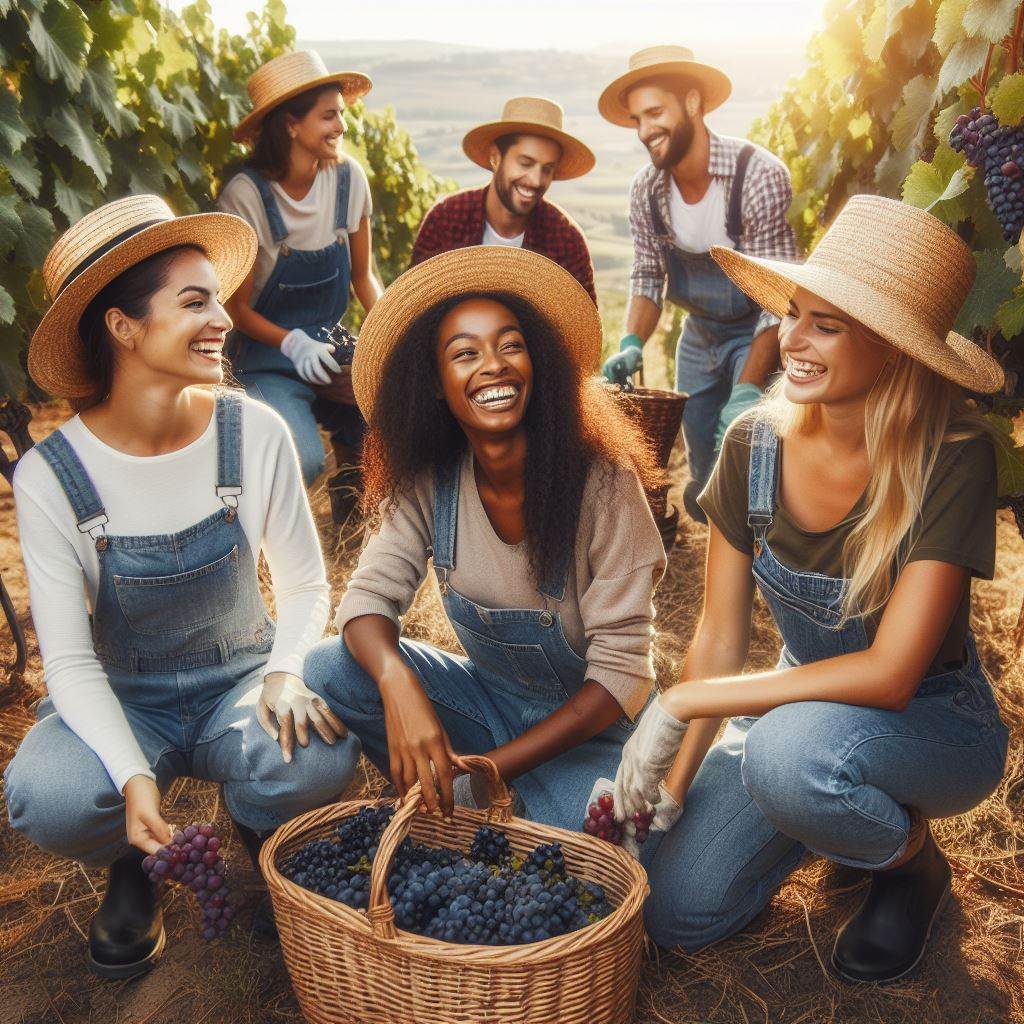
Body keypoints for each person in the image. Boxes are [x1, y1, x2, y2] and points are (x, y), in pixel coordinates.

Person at [612, 196, 1009, 983]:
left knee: (786, 754)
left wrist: (688, 703)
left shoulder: (952, 460)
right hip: (795, 714)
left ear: (894, 350)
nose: (790, 339)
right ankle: (824, 810)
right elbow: (719, 637)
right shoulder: (752, 444)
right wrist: (676, 787)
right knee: (678, 907)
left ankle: (908, 865)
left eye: (827, 325)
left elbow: (893, 675)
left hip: (935, 722)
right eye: (795, 314)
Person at [5, 195, 351, 978]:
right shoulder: (52, 476)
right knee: (46, 794)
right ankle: (135, 857)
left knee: (317, 758)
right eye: (194, 302)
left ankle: (258, 825)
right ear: (124, 327)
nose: (223, 319)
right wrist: (131, 777)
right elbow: (70, 663)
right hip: (127, 697)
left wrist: (284, 672)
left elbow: (305, 585)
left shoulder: (251, 429)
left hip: (241, 684)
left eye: (219, 299)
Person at [303, 246, 666, 830]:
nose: (493, 364)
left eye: (511, 345)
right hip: (488, 705)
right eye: (465, 353)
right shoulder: (430, 480)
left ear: (538, 364)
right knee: (331, 667)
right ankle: (485, 807)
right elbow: (367, 601)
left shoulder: (603, 483)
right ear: (437, 385)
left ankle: (491, 806)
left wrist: (488, 771)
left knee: (610, 848)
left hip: (594, 738)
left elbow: (620, 679)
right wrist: (399, 686)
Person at [598, 45, 798, 520]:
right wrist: (631, 342)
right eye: (637, 119)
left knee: (756, 455)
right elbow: (648, 274)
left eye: (655, 112)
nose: (645, 131)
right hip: (699, 335)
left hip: (758, 332)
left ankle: (768, 554)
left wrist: (749, 388)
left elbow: (777, 295)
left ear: (692, 102)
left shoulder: (758, 176)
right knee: (707, 471)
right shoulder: (646, 190)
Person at [218, 49, 383, 510]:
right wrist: (292, 344)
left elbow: (364, 277)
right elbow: (236, 309)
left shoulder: (349, 179)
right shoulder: (246, 195)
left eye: (342, 114)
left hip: (330, 349)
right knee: (302, 460)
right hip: (267, 357)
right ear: (291, 125)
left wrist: (395, 327)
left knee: (382, 436)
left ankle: (350, 540)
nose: (341, 126)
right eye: (328, 115)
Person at [410, 97, 598, 304]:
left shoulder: (566, 239)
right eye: (526, 163)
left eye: (547, 169)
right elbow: (413, 304)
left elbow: (584, 325)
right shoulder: (446, 218)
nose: (536, 180)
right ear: (495, 158)